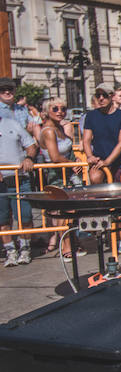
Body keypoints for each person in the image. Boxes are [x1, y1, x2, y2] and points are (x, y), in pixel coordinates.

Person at [38, 98, 83, 259]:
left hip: (67, 173)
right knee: (64, 211)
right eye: (55, 109)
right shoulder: (49, 131)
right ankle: (66, 247)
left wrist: (75, 160)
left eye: (63, 108)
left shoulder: (59, 128)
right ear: (47, 111)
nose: (60, 112)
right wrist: (71, 163)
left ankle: (71, 243)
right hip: (56, 174)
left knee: (70, 210)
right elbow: (55, 157)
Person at [0, 111, 38, 267]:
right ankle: (10, 250)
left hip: (20, 179)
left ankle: (25, 248)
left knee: (25, 217)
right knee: (2, 220)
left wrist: (29, 158)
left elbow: (31, 146)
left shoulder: (12, 124)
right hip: (1, 183)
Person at [82, 85, 121, 184]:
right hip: (98, 159)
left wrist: (107, 162)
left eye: (104, 95)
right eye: (98, 95)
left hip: (119, 160)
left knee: (120, 190)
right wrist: (90, 156)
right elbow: (86, 140)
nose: (101, 98)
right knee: (95, 178)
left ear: (112, 96)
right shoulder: (91, 116)